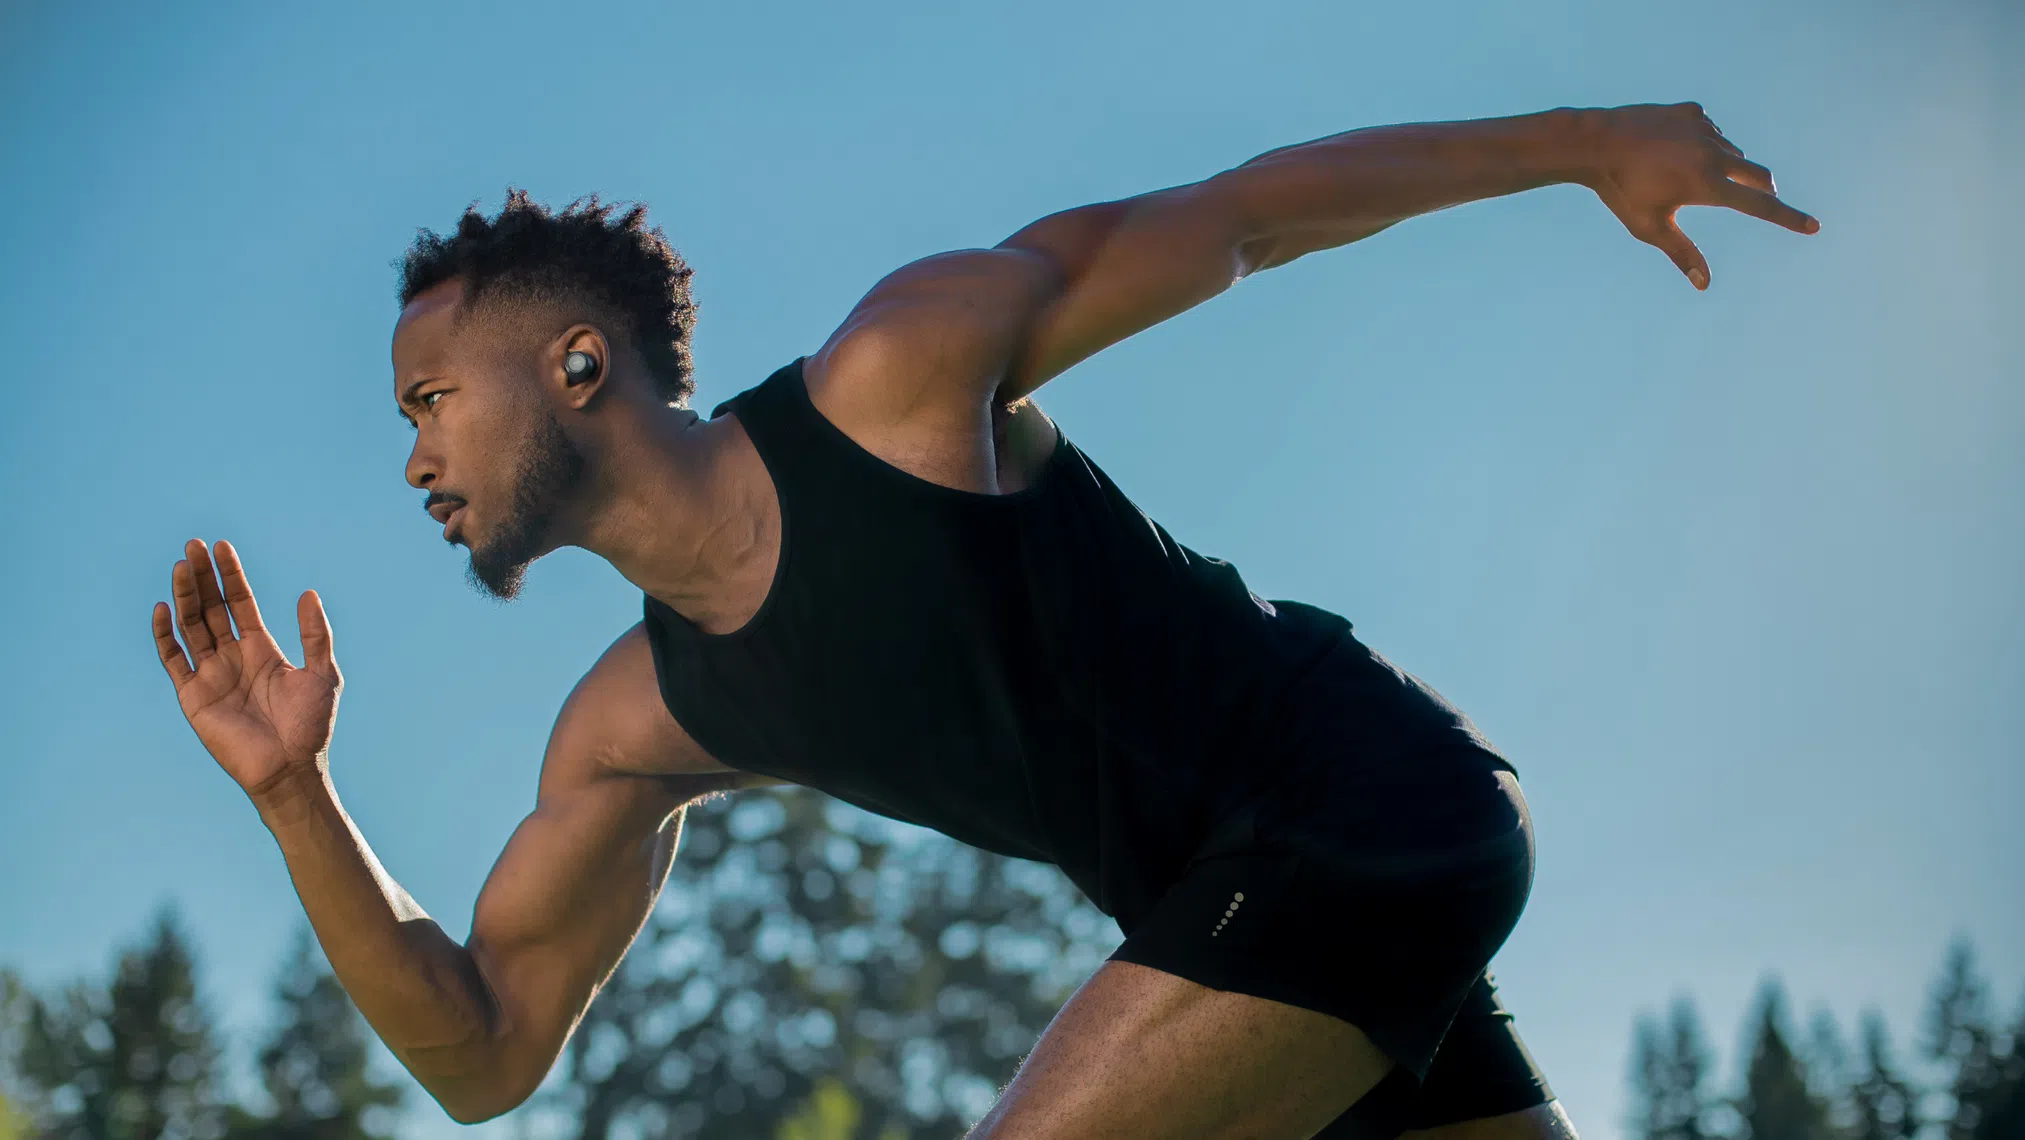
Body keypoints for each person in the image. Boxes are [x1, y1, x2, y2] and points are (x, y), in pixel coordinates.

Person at [152, 102, 1817, 1139]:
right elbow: (485, 1059)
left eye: (431, 398)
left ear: (579, 367)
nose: (414, 455)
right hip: (1248, 937)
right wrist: (299, 802)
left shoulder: (899, 379)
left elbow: (1242, 218)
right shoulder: (634, 728)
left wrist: (1588, 140)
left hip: (1360, 804)